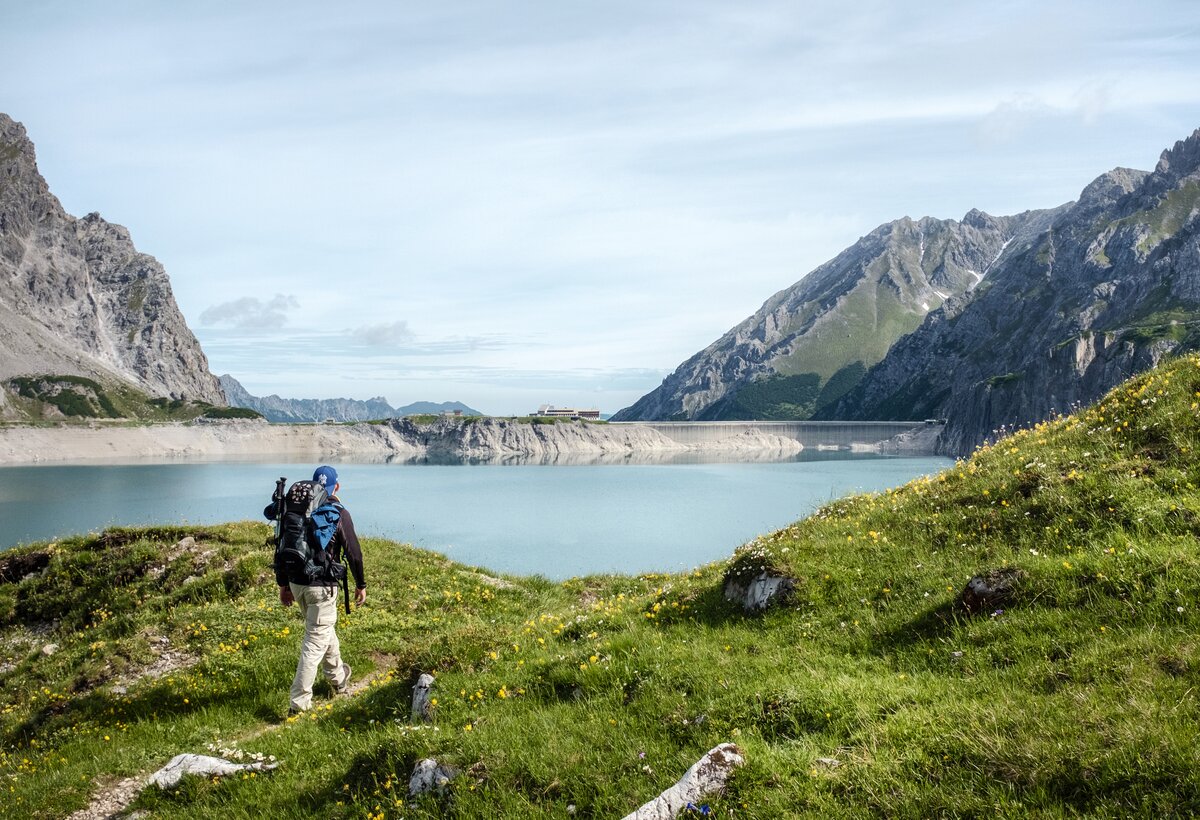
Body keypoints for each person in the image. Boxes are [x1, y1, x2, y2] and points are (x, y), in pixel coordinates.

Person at [265, 465, 367, 714]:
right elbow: (354, 553)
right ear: (337, 487)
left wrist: (283, 585)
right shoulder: (338, 512)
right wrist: (361, 585)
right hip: (322, 587)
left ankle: (338, 678)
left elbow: (280, 546)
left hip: (296, 582)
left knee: (322, 630)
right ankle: (299, 704)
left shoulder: (295, 509)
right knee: (314, 641)